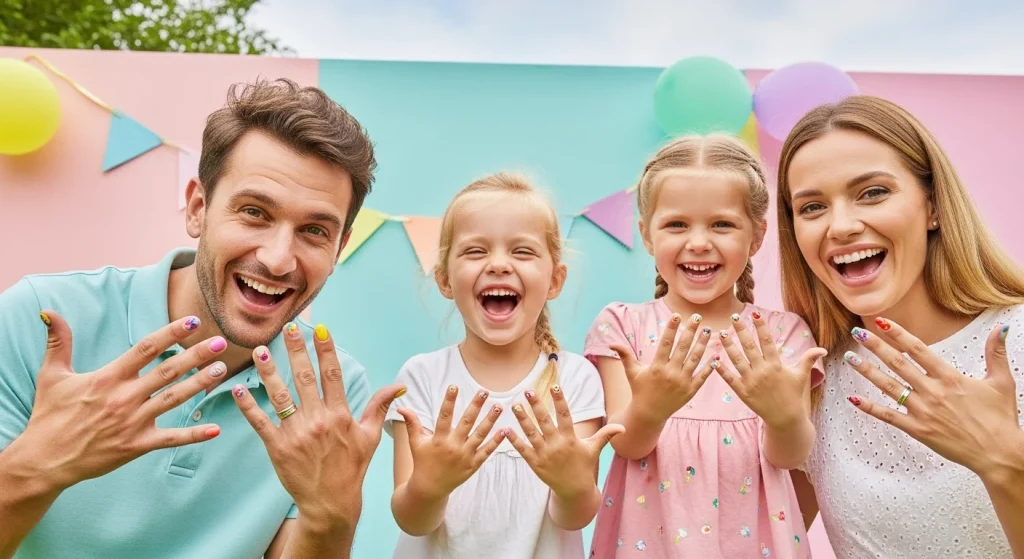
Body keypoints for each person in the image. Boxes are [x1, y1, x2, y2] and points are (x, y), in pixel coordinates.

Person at [0, 78, 404, 559]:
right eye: (254, 212)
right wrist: (34, 469)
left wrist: (332, 516)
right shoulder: (41, 320)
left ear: (339, 248)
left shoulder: (331, 391)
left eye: (315, 231)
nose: (278, 259)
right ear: (198, 208)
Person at [776, 95, 1024, 558]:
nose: (842, 226)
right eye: (811, 207)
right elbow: (750, 535)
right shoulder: (807, 378)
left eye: (872, 192)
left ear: (932, 206)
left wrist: (1005, 461)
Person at [584, 134, 827, 558]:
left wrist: (782, 417)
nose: (698, 241)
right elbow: (627, 444)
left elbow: (790, 456)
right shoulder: (623, 325)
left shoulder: (782, 335)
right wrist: (652, 407)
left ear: (756, 236)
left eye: (722, 224)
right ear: (646, 234)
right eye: (677, 224)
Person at [383, 172, 622, 558]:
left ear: (555, 280)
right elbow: (413, 521)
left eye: (522, 251)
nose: (498, 264)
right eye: (475, 251)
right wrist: (429, 487)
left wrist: (572, 485)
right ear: (444, 280)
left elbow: (574, 517)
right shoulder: (422, 377)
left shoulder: (575, 380)